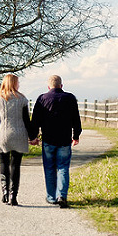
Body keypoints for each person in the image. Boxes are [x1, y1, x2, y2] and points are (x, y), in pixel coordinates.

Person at [30, 75, 82, 207]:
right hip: (64, 139)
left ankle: (51, 197)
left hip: (48, 140)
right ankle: (62, 196)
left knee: (49, 168)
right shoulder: (70, 98)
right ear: (61, 86)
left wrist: (33, 136)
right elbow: (76, 119)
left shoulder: (42, 98)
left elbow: (35, 120)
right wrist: (76, 136)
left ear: (48, 87)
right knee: (63, 167)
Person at [0, 73, 33, 206]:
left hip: (3, 135)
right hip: (19, 135)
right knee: (15, 166)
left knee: (3, 164)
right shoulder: (22, 99)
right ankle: (13, 196)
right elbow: (26, 120)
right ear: (14, 83)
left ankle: (5, 194)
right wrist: (32, 136)